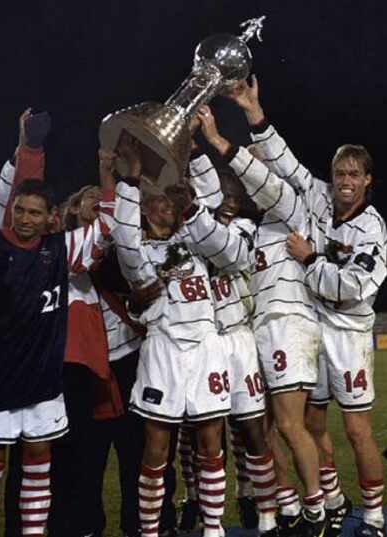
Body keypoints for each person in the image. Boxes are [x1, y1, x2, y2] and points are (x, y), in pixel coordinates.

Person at [237, 78, 387, 537]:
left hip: (350, 334)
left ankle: (376, 516)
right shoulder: (317, 196)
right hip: (315, 325)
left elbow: (351, 285)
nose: (344, 182)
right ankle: (334, 498)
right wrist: (252, 111)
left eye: (353, 175)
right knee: (312, 423)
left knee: (357, 430)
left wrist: (310, 258)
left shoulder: (371, 229)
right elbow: (284, 161)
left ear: (367, 181)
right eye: (339, 174)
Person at [0, 114, 119, 536]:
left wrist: (107, 172)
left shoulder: (61, 251)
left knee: (39, 460)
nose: (25, 218)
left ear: (49, 217)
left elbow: (108, 226)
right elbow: (5, 191)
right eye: (20, 210)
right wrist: (27, 147)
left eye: (34, 212)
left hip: (43, 382)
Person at [112, 137, 255, 537]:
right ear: (142, 206)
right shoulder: (140, 253)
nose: (162, 204)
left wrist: (194, 154)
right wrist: (131, 179)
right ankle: (151, 531)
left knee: (212, 445)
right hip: (163, 350)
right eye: (152, 198)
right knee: (156, 451)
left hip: (207, 346)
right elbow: (122, 239)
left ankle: (213, 529)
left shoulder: (198, 243)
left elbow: (228, 242)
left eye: (168, 199)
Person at [200, 93, 326, 537]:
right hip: (261, 333)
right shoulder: (251, 231)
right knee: (267, 430)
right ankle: (290, 505)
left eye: (254, 169)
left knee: (291, 425)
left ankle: (317, 511)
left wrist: (218, 140)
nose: (246, 178)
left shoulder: (294, 210)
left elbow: (266, 183)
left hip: (290, 325)